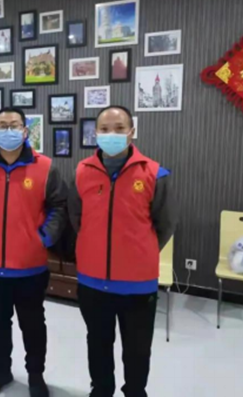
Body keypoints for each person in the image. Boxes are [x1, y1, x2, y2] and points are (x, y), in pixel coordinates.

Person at [68, 105, 177, 397]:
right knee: (98, 344)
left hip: (137, 283)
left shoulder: (155, 173)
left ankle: (135, 392)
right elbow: (77, 219)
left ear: (132, 132)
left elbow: (165, 225)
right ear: (95, 133)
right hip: (92, 281)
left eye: (119, 128)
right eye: (104, 129)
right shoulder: (82, 172)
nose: (111, 134)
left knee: (137, 349)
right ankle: (101, 390)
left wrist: (138, 251)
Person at [0, 107, 67, 397]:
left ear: (25, 131)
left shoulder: (45, 167)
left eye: (15, 125)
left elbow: (59, 206)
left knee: (32, 324)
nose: (8, 130)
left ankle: (36, 375)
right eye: (2, 125)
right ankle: (1, 370)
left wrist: (43, 238)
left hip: (30, 266)